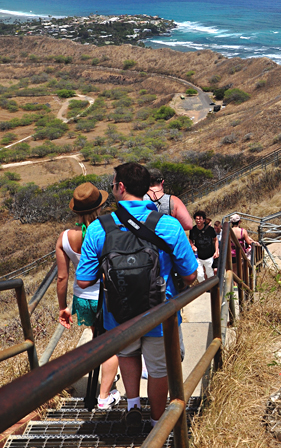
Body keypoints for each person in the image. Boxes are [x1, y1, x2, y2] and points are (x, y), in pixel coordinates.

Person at [76, 163, 198, 427]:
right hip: (160, 314)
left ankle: (133, 405)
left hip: (119, 315)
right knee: (159, 370)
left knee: (128, 356)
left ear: (121, 188)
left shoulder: (100, 228)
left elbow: (84, 280)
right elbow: (190, 276)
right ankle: (156, 422)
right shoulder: (168, 225)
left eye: (112, 184)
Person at [55, 182, 120, 410]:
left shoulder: (64, 238)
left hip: (82, 297)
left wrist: (63, 307)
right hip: (107, 295)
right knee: (112, 343)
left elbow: (62, 278)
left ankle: (104, 388)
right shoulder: (107, 229)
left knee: (98, 338)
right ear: (99, 207)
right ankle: (104, 395)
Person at [189, 211, 219, 282]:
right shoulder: (193, 230)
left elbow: (216, 240)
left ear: (204, 220)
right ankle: (203, 290)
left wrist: (216, 251)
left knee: (210, 274)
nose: (198, 221)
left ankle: (212, 289)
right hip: (198, 256)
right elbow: (190, 240)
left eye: (200, 219)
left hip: (209, 256)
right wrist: (192, 246)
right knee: (199, 275)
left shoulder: (210, 229)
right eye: (196, 219)